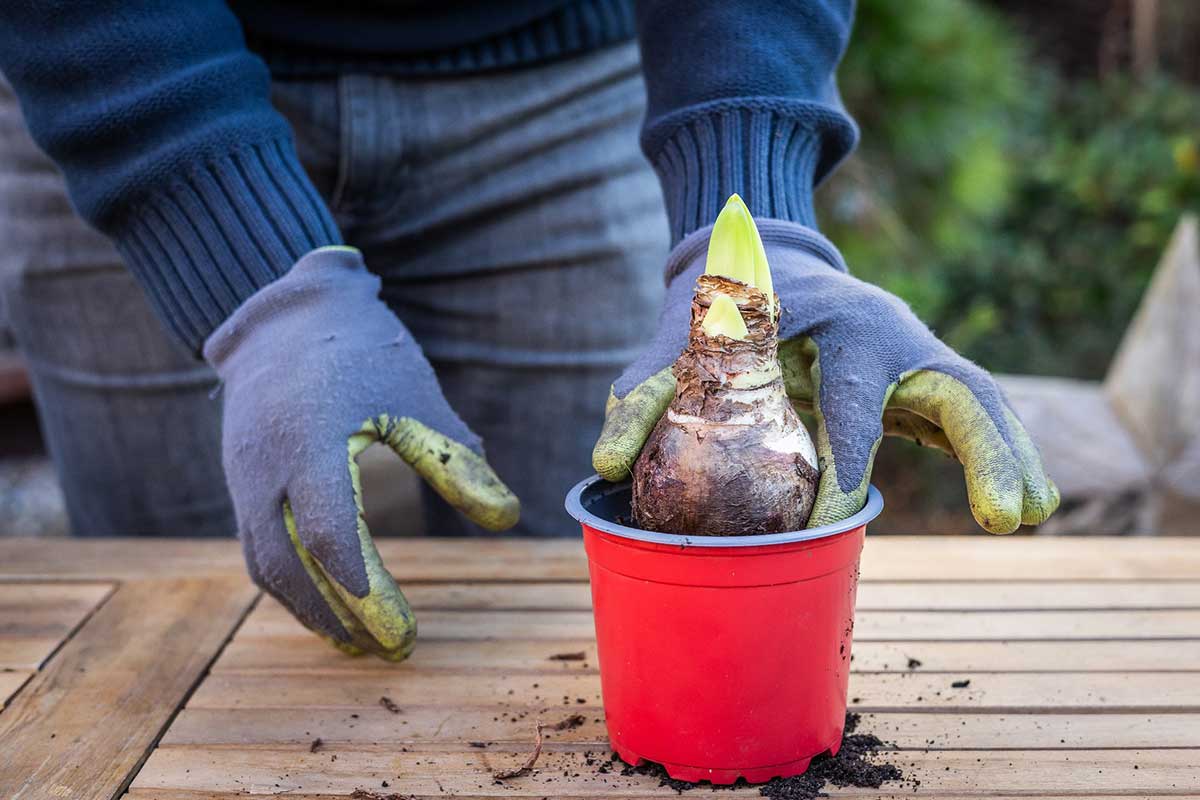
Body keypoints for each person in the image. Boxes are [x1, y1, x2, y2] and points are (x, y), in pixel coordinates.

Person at [0, 1, 1057, 660]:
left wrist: (750, 188)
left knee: (580, 623)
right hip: (120, 74)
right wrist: (239, 273)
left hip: (554, 81)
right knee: (192, 631)